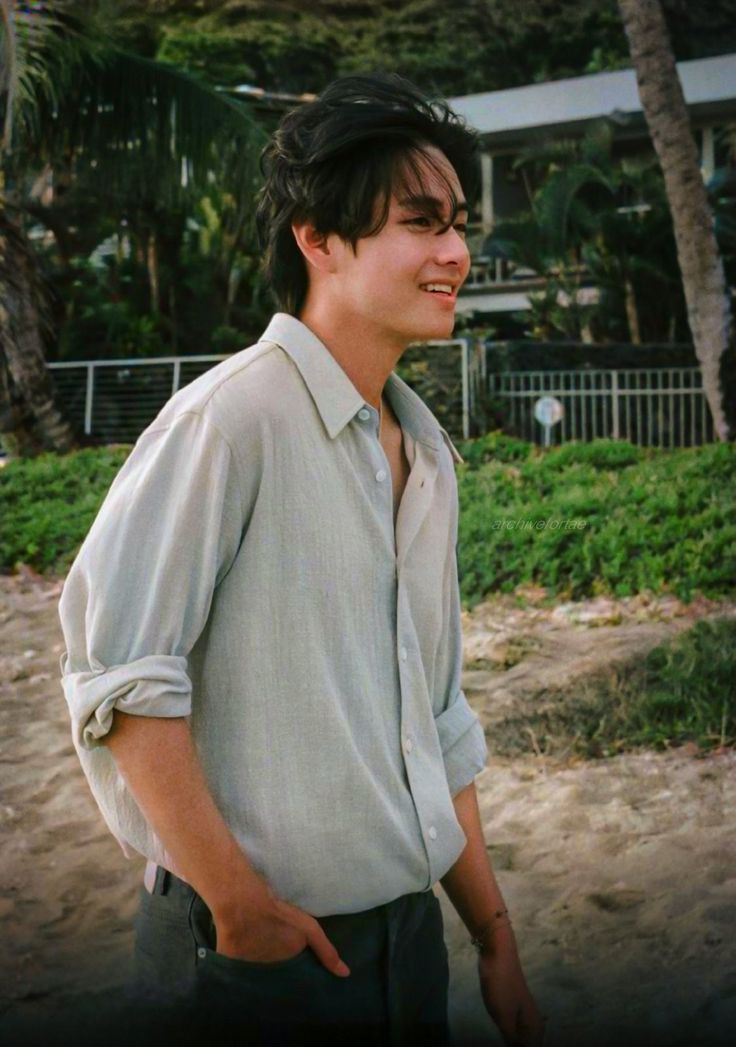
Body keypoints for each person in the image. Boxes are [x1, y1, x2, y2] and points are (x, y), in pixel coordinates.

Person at [58, 72, 545, 1047]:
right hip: (251, 956)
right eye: (420, 221)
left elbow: (435, 718)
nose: (456, 251)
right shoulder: (230, 422)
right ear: (317, 238)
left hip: (409, 943)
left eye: (458, 222)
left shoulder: (425, 454)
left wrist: (490, 935)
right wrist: (238, 906)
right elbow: (120, 682)